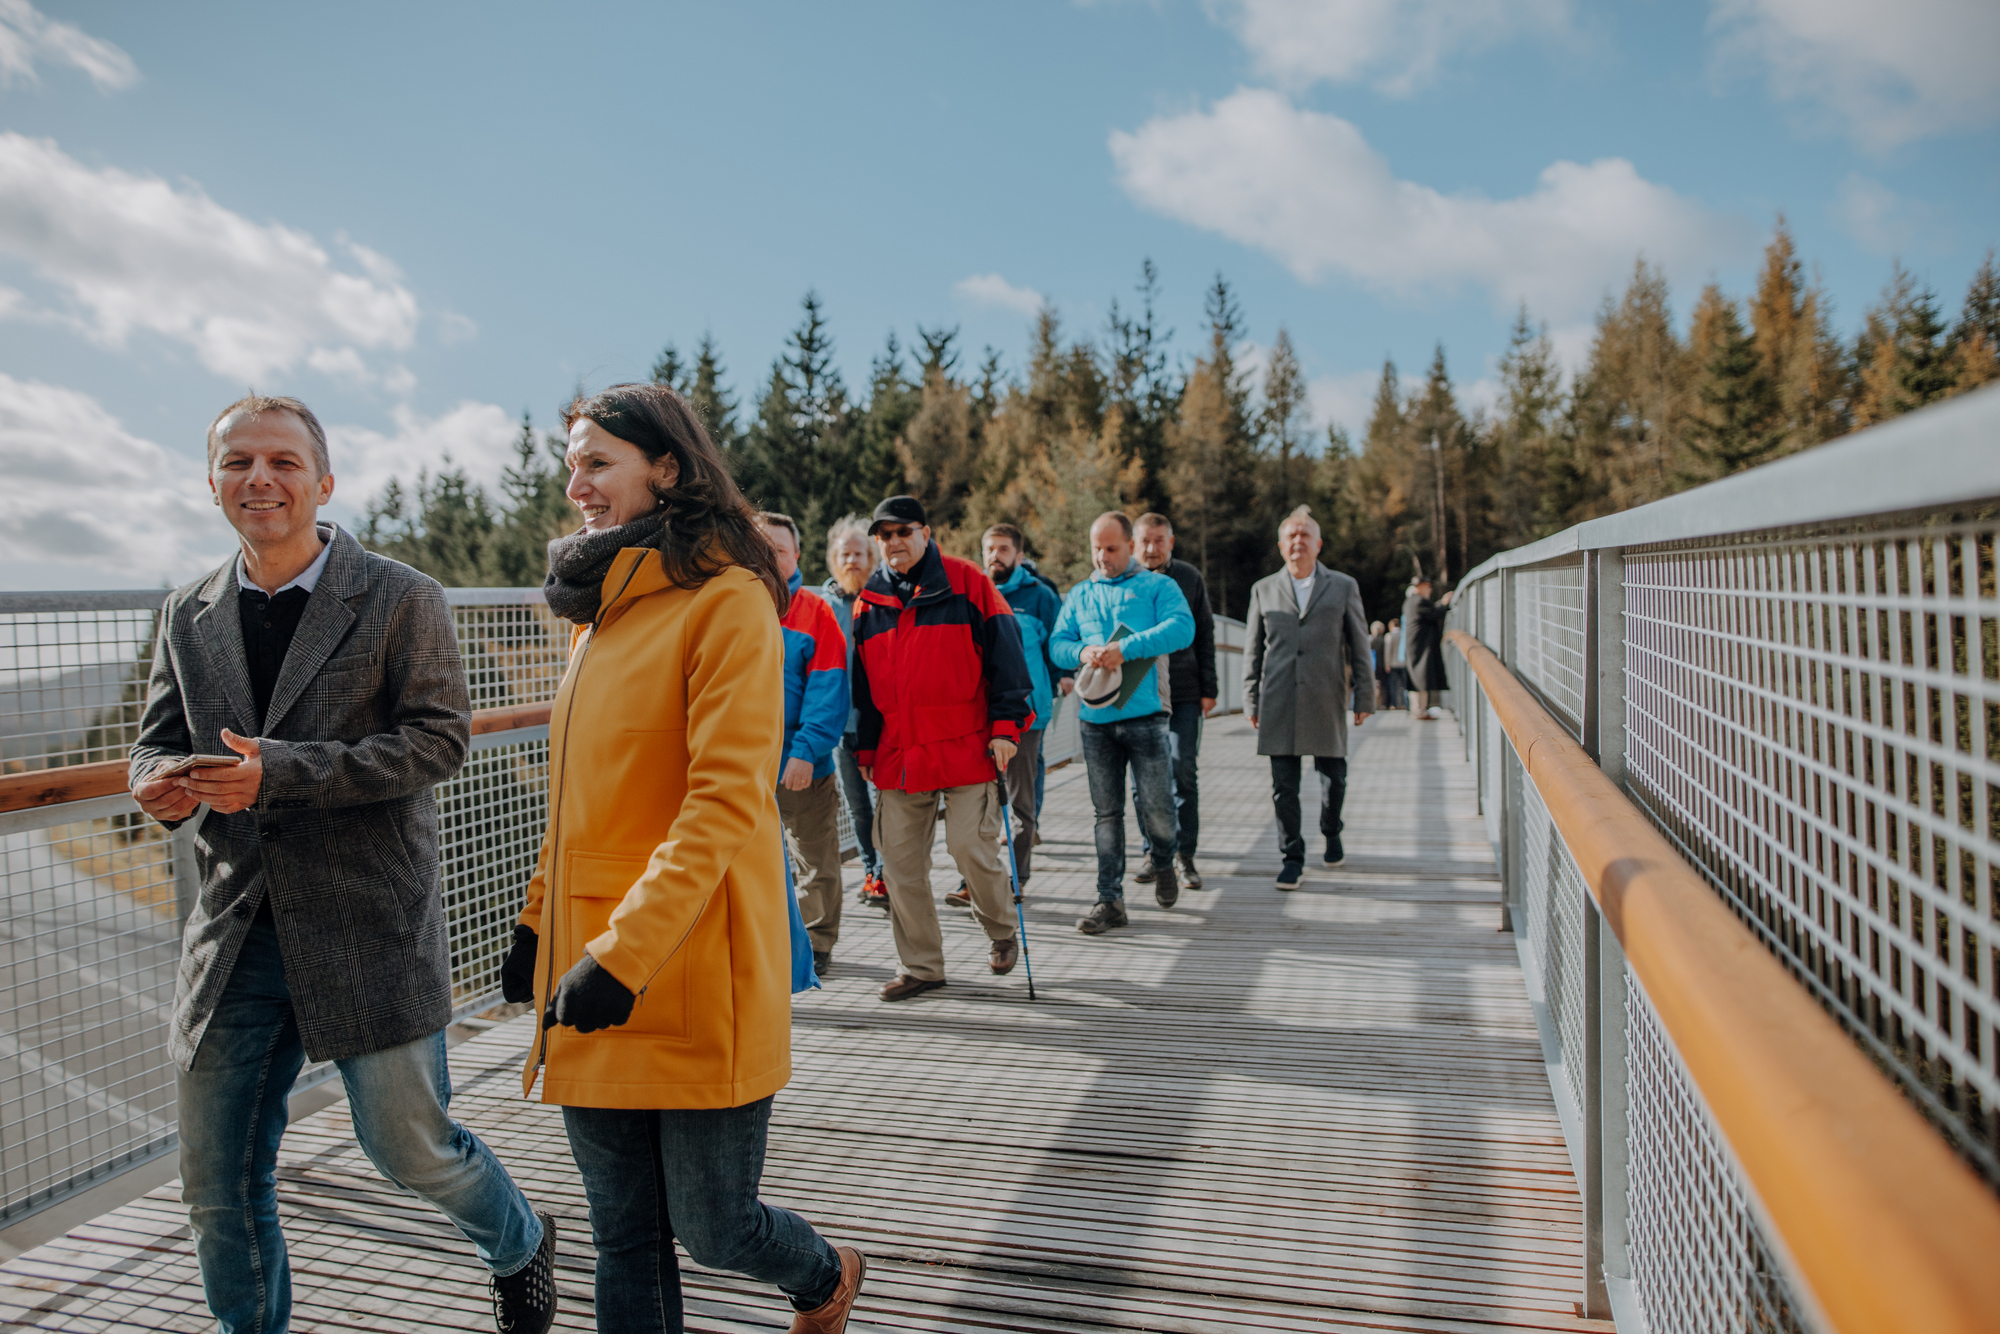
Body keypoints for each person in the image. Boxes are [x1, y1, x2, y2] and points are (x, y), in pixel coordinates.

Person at [129, 394, 557, 1334]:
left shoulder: (403, 595)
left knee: (415, 1152)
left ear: (323, 483)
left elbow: (439, 742)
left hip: (368, 925)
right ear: (213, 486)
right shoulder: (186, 612)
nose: (260, 478)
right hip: (235, 934)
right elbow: (154, 743)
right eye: (238, 462)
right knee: (217, 1184)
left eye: (283, 462)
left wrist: (277, 774)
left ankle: (520, 1239)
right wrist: (157, 781)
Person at [496, 383, 864, 1333]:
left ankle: (824, 1275)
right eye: (571, 462)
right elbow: (578, 799)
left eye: (598, 462)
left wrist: (625, 954)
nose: (576, 482)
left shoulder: (729, 601)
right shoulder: (598, 614)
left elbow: (723, 803)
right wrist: (539, 918)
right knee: (622, 1236)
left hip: (689, 959)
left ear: (665, 469)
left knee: (713, 1225)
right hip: (590, 966)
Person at [850, 496, 1033, 1000]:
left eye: (902, 531)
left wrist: (1006, 727)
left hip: (967, 744)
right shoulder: (868, 603)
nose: (893, 543)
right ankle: (922, 967)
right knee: (900, 864)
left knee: (970, 847)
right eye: (883, 535)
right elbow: (862, 690)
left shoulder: (969, 582)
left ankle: (1000, 929)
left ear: (926, 533)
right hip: (900, 754)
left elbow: (1008, 660)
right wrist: (865, 750)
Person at [1047, 512, 1195, 935]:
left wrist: (1125, 649)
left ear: (1131, 546)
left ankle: (1164, 860)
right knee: (1106, 814)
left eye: (1111, 548)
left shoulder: (1158, 586)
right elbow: (1057, 644)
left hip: (1147, 715)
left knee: (1158, 809)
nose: (1102, 557)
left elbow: (1183, 629)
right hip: (1095, 721)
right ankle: (1109, 900)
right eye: (1096, 548)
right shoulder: (1078, 595)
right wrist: (1083, 653)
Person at [1243, 505, 1376, 890]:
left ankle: (1331, 830)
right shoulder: (1262, 589)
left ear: (1318, 544)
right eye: (1291, 536)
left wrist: (1364, 696)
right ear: (1281, 546)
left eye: (1305, 536)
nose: (1297, 542)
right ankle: (1292, 857)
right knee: (1283, 785)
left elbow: (1359, 643)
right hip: (1278, 698)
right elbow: (1252, 651)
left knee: (1333, 779)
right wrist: (1250, 700)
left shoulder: (1343, 585)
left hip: (1326, 695)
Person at [760, 512, 850, 977]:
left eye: (778, 548)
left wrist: (805, 750)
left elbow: (828, 689)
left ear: (796, 554)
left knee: (813, 857)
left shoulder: (816, 613)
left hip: (798, 764)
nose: (770, 556)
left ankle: (816, 942)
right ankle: (764, 938)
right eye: (761, 546)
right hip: (742, 764)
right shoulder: (734, 604)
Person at [974, 523, 1069, 890]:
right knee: (978, 803)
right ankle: (979, 879)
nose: (995, 555)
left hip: (1027, 711)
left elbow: (1057, 642)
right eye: (989, 548)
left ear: (1019, 554)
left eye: (1003, 548)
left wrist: (1063, 674)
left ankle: (1017, 877)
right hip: (979, 713)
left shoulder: (1039, 595)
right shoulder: (974, 591)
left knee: (1020, 801)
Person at [1131, 513, 1217, 890]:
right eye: (1144, 541)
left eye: (1159, 541)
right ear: (1134, 543)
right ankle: (1153, 852)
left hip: (1183, 690)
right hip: (1138, 690)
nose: (1151, 549)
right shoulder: (1124, 579)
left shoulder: (1189, 577)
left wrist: (1208, 689)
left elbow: (1206, 634)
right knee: (1142, 779)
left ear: (1171, 541)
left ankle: (1186, 855)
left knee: (1183, 770)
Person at [811, 517, 888, 909]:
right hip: (843, 727)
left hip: (885, 724)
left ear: (872, 558)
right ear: (833, 560)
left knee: (889, 803)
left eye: (859, 553)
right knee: (858, 805)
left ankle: (892, 871)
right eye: (846, 554)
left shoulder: (884, 599)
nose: (853, 560)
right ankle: (873, 872)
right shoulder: (821, 608)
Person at [1403, 578, 1453, 719]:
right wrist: (1445, 604)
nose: (1430, 589)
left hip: (1416, 645)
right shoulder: (1418, 601)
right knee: (1420, 678)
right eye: (1427, 586)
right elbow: (1433, 614)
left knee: (1418, 678)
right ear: (1420, 587)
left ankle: (1419, 710)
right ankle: (1420, 711)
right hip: (1420, 646)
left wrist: (1441, 604)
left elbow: (1430, 611)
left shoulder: (1411, 601)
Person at [1386, 616, 1409, 710]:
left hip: (1393, 664)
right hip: (1404, 664)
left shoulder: (1390, 636)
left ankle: (1394, 704)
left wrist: (1387, 664)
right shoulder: (1404, 635)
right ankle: (1405, 704)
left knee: (1393, 686)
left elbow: (1388, 651)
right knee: (1404, 686)